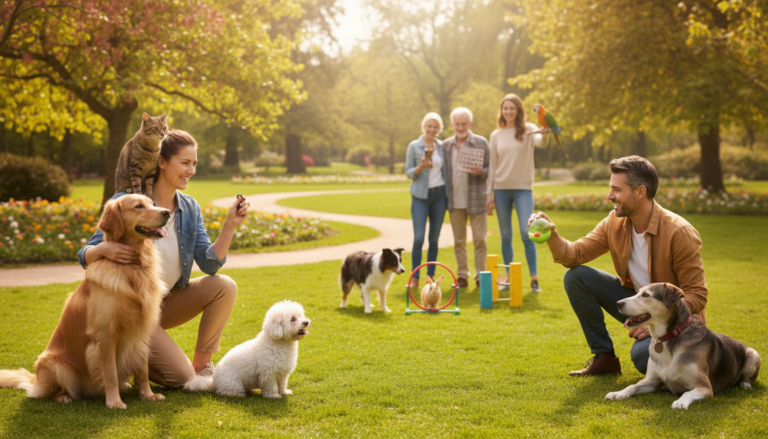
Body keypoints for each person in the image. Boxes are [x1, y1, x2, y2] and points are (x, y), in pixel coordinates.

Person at [77, 129, 249, 387]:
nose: (191, 170)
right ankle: (130, 366)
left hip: (165, 302)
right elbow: (85, 254)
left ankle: (202, 367)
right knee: (180, 378)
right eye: (185, 162)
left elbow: (210, 264)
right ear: (161, 162)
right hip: (131, 308)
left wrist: (229, 225)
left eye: (194, 164)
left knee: (224, 285)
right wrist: (102, 249)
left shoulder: (189, 207)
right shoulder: (130, 200)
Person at [529, 156, 708, 376]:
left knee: (642, 357)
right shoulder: (613, 223)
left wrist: (658, 319)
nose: (609, 196)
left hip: (676, 321)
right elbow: (574, 256)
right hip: (637, 302)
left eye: (616, 189)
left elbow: (697, 294)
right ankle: (604, 358)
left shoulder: (679, 232)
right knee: (576, 277)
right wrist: (552, 234)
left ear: (640, 192)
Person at [486, 94, 547, 293]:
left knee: (526, 233)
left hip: (523, 189)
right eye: (505, 108)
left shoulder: (528, 129)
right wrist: (488, 193)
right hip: (501, 190)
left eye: (512, 108)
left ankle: (534, 279)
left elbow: (541, 142)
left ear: (518, 110)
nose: (508, 111)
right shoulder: (496, 135)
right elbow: (492, 166)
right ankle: (509, 279)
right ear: (501, 111)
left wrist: (545, 133)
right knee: (505, 236)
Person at [442, 107, 489, 288]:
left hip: (476, 199)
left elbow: (491, 169)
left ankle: (480, 276)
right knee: (459, 241)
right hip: (455, 201)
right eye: (457, 124)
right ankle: (462, 275)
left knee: (480, 240)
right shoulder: (446, 145)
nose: (460, 127)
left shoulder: (481, 143)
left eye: (464, 124)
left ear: (470, 124)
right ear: (452, 124)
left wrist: (481, 172)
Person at [405, 112, 447, 291]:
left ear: (439, 129)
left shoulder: (442, 147)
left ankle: (430, 277)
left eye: (435, 127)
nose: (432, 129)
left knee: (434, 240)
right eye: (429, 126)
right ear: (424, 127)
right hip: (420, 196)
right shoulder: (414, 146)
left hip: (439, 196)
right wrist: (420, 167)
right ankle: (415, 276)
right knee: (418, 239)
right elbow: (408, 172)